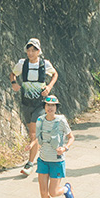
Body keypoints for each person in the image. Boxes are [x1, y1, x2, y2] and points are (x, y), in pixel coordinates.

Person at [10, 38, 58, 176]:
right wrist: (14, 83)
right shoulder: (22, 63)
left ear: (38, 51)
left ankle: (30, 163)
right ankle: (46, 147)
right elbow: (13, 74)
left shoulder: (44, 64)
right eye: (29, 50)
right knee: (33, 132)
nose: (30, 53)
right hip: (26, 102)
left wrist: (49, 87)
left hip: (40, 103)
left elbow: (55, 74)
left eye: (33, 50)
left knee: (33, 133)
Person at [35, 94, 75, 198]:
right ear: (44, 107)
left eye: (53, 105)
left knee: (53, 192)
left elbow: (71, 137)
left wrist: (65, 148)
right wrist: (31, 144)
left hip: (57, 161)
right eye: (48, 105)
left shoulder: (61, 121)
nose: (50, 108)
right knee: (42, 192)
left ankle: (66, 189)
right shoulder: (40, 120)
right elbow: (38, 137)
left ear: (56, 107)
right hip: (42, 160)